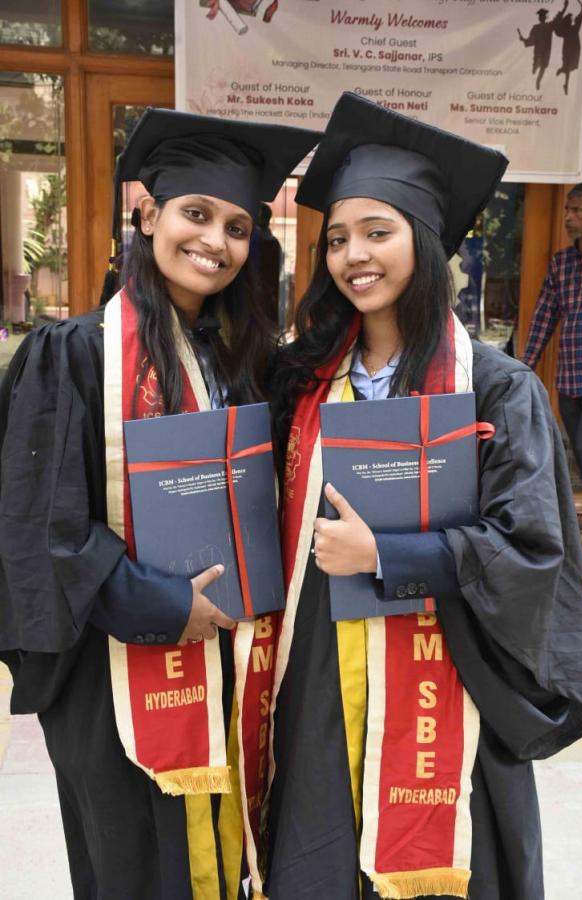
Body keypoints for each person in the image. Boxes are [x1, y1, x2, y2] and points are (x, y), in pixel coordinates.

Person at [263, 92, 582, 900]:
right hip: (321, 671)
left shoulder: (496, 387)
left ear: (426, 239)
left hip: (448, 669)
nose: (353, 255)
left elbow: (532, 549)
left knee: (448, 859)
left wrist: (386, 555)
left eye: (377, 232)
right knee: (321, 845)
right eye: (338, 239)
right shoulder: (303, 381)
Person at [0, 107, 317, 899]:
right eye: (197, 214)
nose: (215, 241)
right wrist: (162, 604)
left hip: (226, 650)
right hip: (110, 660)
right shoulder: (74, 353)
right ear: (148, 216)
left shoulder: (244, 361)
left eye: (238, 227)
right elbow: (40, 522)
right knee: (136, 861)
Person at [522, 181, 582, 562]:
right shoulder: (561, 263)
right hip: (571, 377)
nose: (568, 217)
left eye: (577, 210)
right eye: (566, 210)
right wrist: (524, 368)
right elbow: (544, 317)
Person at [517, 10, 554, 91]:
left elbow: (530, 41)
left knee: (543, 67)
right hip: (540, 51)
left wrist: (523, 39)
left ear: (543, 17)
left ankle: (538, 80)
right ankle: (535, 67)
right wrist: (523, 39)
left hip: (545, 51)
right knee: (541, 65)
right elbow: (531, 40)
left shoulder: (549, 26)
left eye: (541, 16)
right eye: (540, 16)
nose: (541, 18)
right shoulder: (538, 27)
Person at [553, 0, 582, 95]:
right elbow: (559, 21)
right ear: (568, 21)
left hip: (573, 50)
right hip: (569, 50)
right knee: (568, 66)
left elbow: (578, 19)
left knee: (568, 67)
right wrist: (566, 7)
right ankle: (565, 81)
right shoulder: (569, 29)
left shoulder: (572, 28)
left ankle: (563, 74)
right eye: (570, 19)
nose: (572, 20)